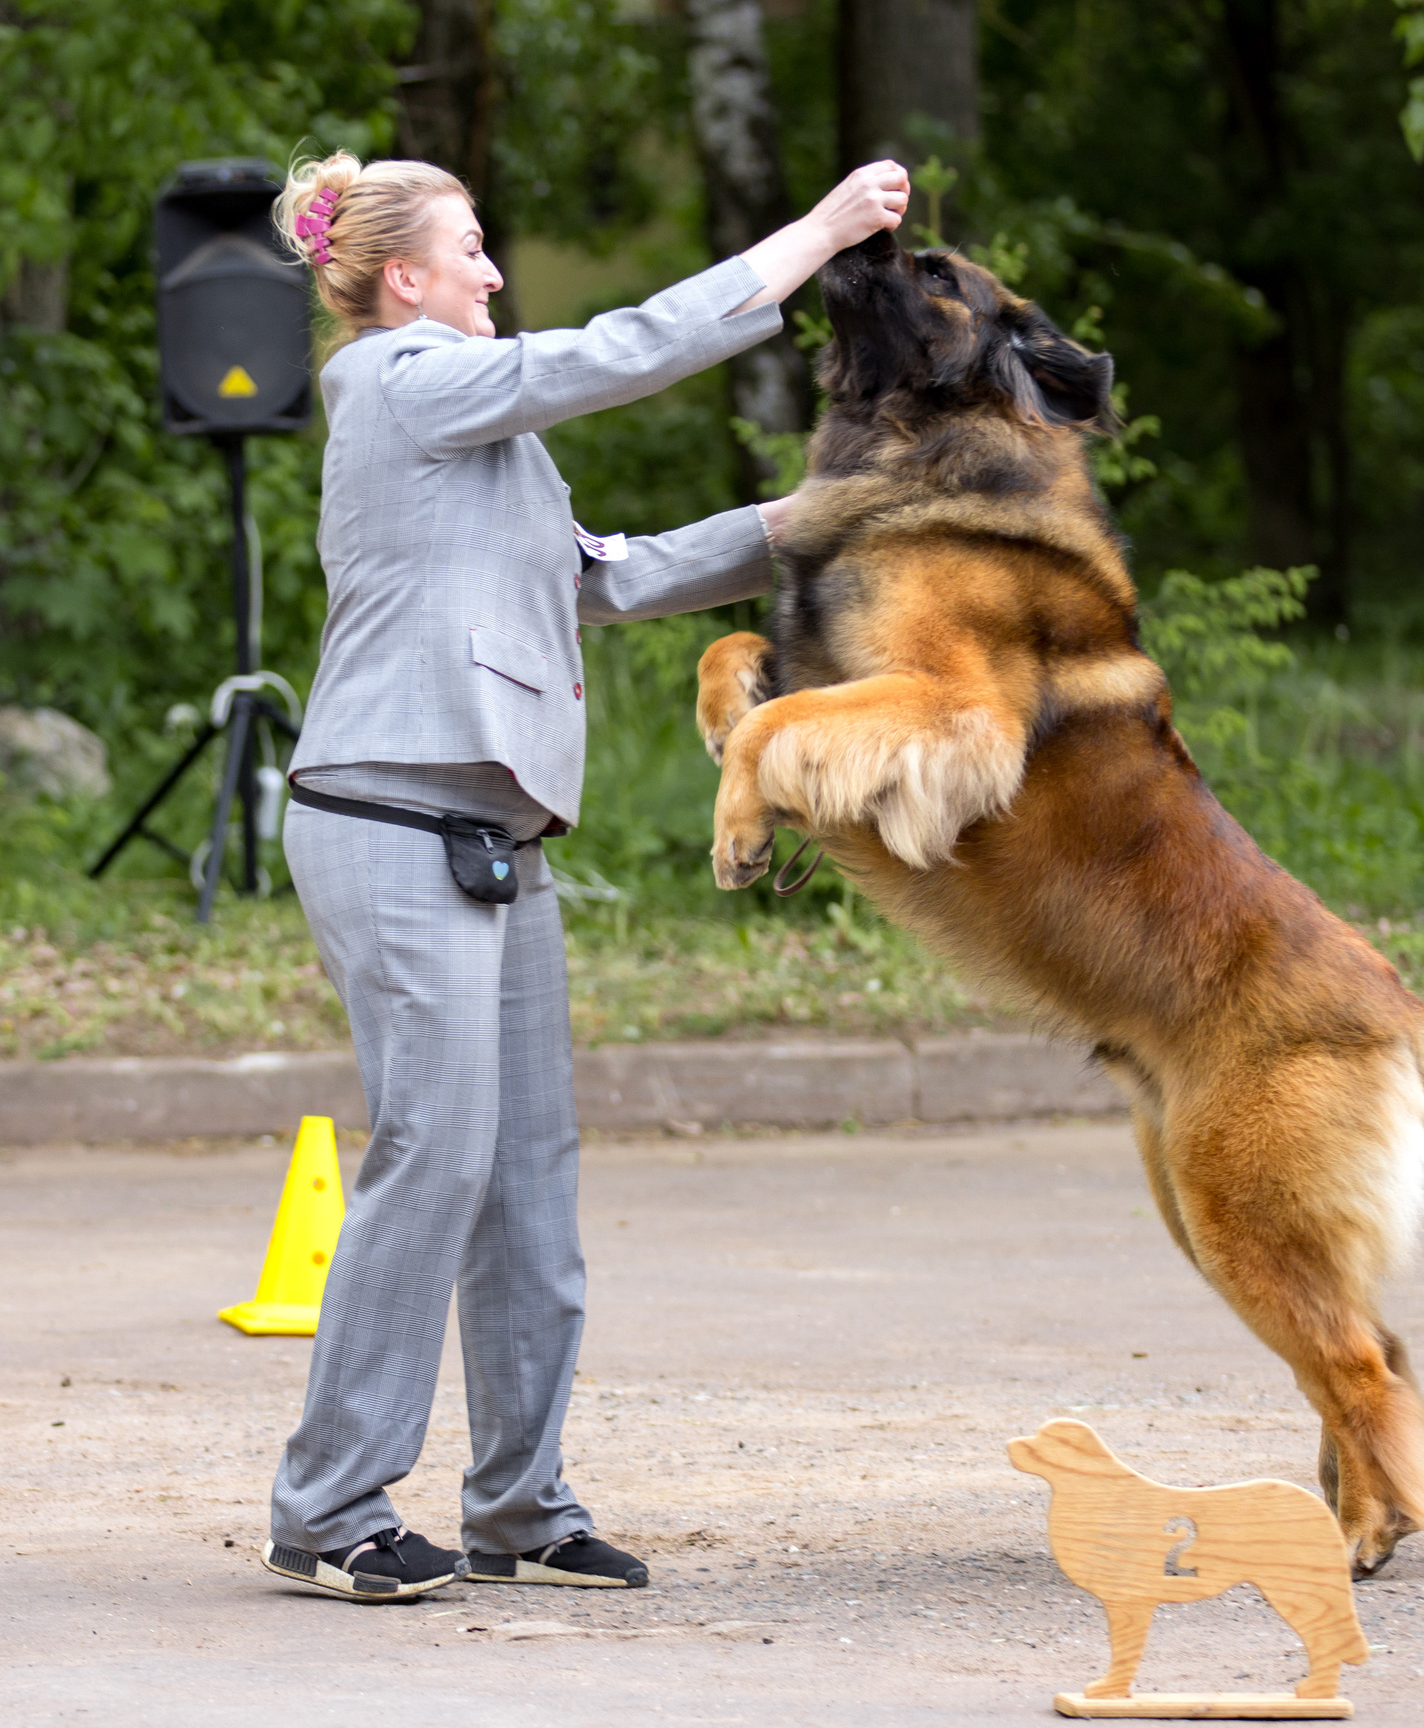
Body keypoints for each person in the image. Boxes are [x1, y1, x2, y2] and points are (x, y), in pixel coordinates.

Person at [256, 149, 909, 1602]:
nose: (494, 274)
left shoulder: (483, 432)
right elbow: (624, 351)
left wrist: (828, 515)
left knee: (528, 1181)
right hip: (387, 816)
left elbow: (609, 575)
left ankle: (518, 1504)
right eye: (472, 249)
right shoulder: (400, 384)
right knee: (437, 1153)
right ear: (403, 281)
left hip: (495, 836)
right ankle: (329, 1510)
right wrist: (813, 233)